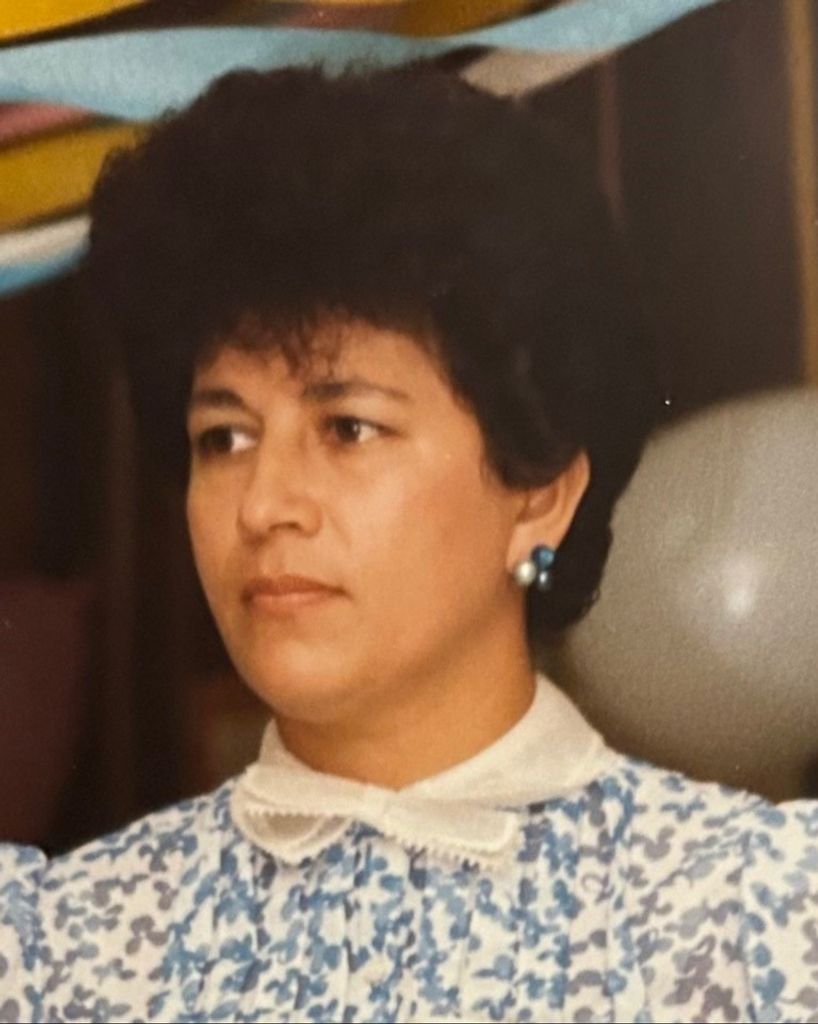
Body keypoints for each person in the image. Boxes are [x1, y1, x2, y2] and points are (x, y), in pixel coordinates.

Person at [2, 60, 817, 1024]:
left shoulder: (758, 917)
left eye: (348, 428)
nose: (263, 505)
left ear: (540, 493)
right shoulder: (59, 950)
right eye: (224, 438)